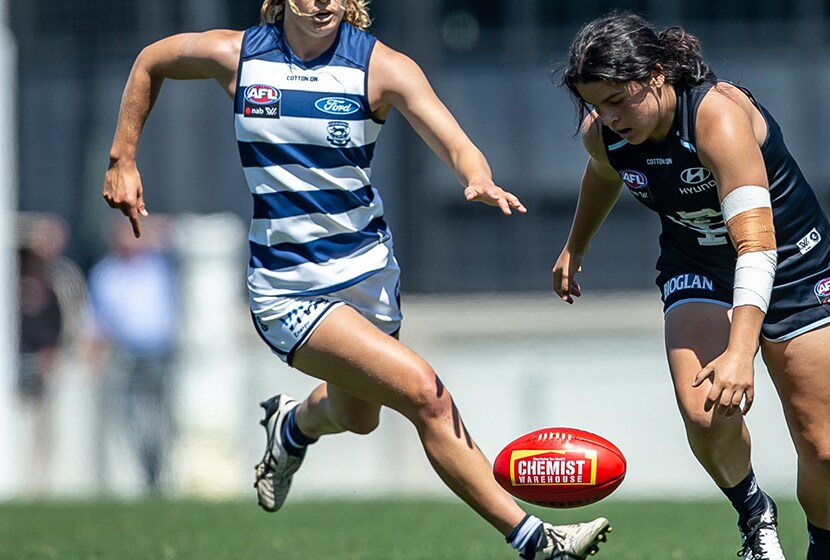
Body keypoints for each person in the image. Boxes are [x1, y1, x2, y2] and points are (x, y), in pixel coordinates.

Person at [102, 1, 611, 558]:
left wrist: (476, 175)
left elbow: (454, 140)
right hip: (286, 289)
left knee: (357, 416)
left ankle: (292, 427)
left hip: (367, 275)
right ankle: (537, 541)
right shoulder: (238, 55)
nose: (323, 2)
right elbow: (152, 60)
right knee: (426, 394)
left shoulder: (382, 67)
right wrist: (122, 156)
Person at [552, 12, 830, 560]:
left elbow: (758, 247)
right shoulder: (605, 135)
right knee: (704, 412)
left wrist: (741, 350)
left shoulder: (718, 119)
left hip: (792, 267)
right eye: (598, 104)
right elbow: (602, 174)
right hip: (699, 265)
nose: (609, 117)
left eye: (620, 99)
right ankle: (757, 518)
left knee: (824, 449)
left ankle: (826, 550)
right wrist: (577, 245)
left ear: (658, 74)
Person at [86, 215, 180, 494]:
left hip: (162, 355)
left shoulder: (160, 265)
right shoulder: (106, 273)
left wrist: (143, 231)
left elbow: (175, 233)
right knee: (133, 423)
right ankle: (143, 478)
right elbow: (97, 321)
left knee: (163, 421)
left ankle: (162, 477)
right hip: (126, 358)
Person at [16, 213, 87, 495]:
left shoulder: (63, 276)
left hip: (50, 366)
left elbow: (73, 320)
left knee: (48, 433)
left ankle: (42, 488)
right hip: (18, 363)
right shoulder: (14, 273)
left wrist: (60, 352)